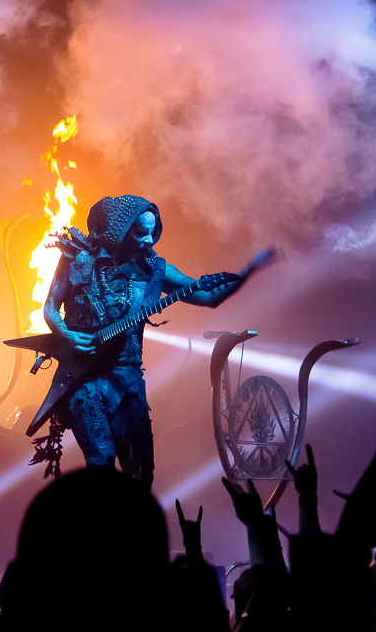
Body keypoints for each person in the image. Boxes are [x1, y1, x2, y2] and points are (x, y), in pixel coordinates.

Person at [42, 194, 274, 487]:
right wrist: (65, 334)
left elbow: (209, 297)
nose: (149, 240)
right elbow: (50, 307)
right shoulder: (77, 261)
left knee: (141, 471)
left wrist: (247, 271)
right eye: (141, 233)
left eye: (153, 232)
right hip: (83, 381)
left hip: (128, 381)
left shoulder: (156, 271)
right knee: (100, 462)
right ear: (121, 230)